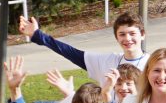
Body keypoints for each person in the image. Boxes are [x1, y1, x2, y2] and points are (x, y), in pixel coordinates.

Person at [20, 12, 149, 82]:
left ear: (142, 34)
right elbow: (70, 52)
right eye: (122, 34)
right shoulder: (108, 62)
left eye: (132, 33)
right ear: (116, 37)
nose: (127, 38)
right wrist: (38, 36)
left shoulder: (154, 64)